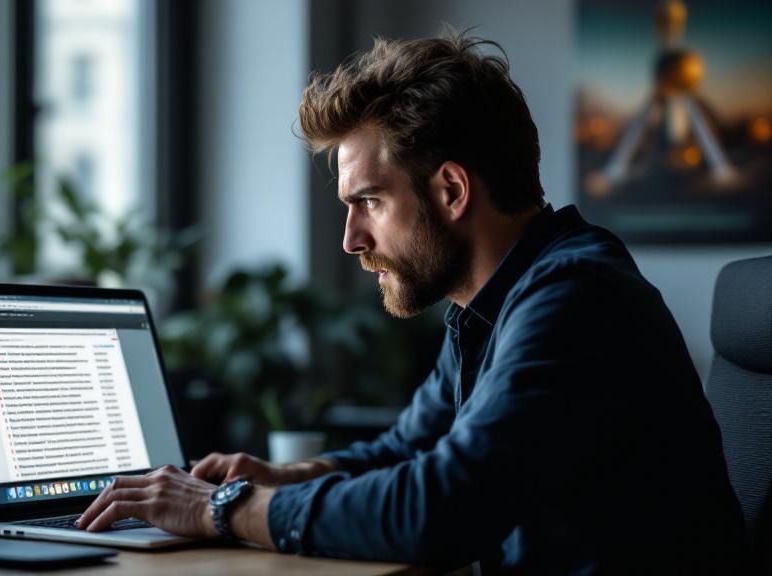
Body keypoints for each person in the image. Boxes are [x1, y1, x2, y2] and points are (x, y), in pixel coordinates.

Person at [76, 32, 745, 573]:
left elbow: (443, 509)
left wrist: (224, 509)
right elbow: (408, 447)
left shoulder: (574, 299)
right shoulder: (494, 303)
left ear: (452, 191)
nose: (349, 240)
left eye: (367, 202)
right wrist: (283, 475)